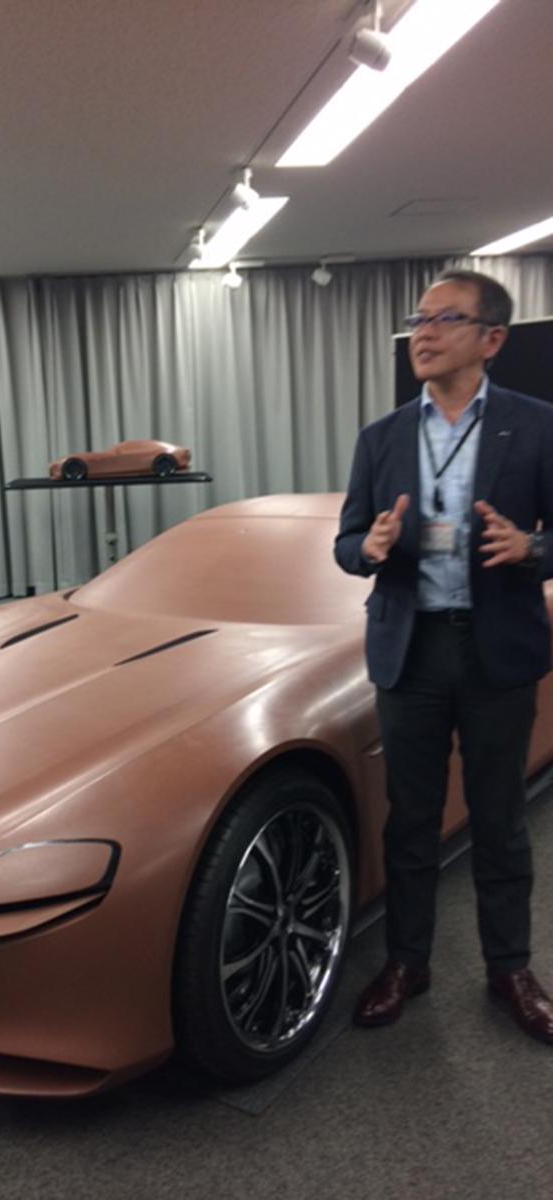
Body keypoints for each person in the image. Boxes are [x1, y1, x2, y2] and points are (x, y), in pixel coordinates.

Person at [334, 268, 553, 1043]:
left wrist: (532, 546)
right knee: (412, 819)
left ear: (492, 339)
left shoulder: (536, 427)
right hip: (410, 648)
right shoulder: (382, 437)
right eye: (418, 319)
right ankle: (406, 962)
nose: (422, 333)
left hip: (497, 647)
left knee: (499, 820)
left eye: (444, 319)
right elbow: (345, 541)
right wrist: (369, 546)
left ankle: (510, 968)